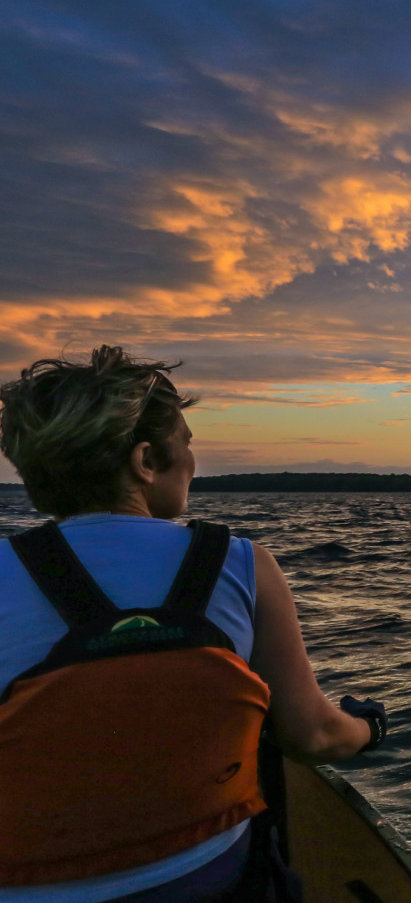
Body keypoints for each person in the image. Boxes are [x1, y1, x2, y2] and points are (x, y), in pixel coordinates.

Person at [0, 346, 387, 901]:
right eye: (186, 443)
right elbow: (314, 736)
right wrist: (370, 726)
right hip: (214, 886)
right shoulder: (241, 564)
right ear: (145, 461)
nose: (192, 460)